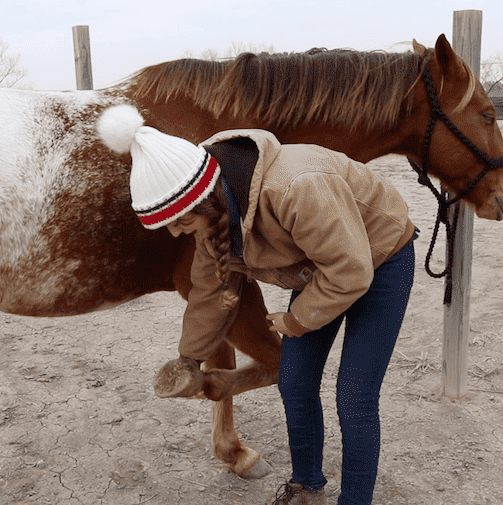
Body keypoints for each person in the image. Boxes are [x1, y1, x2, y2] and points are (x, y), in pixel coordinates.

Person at [96, 104, 416, 505]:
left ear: (203, 201)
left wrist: (295, 320)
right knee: (295, 378)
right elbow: (209, 290)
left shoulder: (296, 187)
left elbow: (351, 271)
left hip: (379, 257)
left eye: (179, 221)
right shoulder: (216, 215)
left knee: (354, 394)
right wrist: (188, 361)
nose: (177, 233)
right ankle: (306, 488)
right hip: (324, 267)